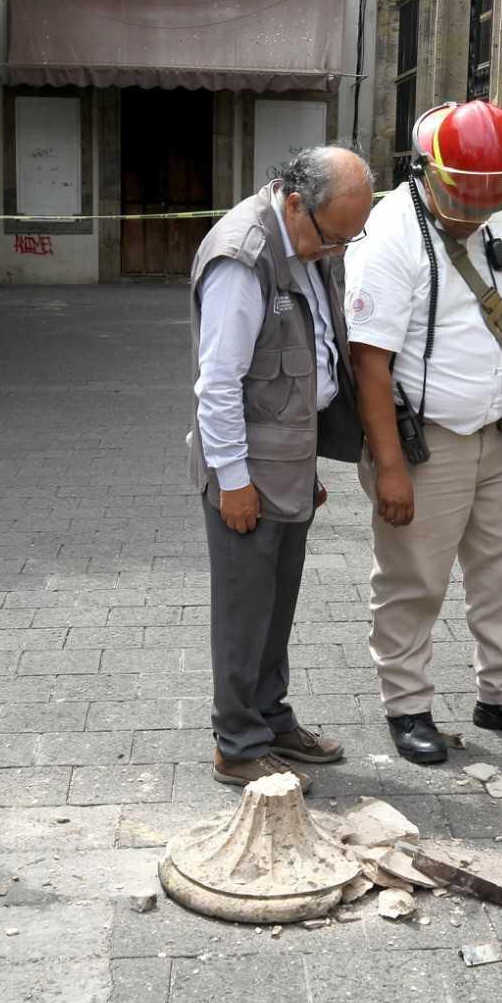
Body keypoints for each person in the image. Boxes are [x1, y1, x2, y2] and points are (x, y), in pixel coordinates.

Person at [341, 100, 502, 765]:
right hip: (424, 440)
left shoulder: (493, 210)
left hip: (497, 432)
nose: (479, 207)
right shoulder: (390, 234)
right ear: (432, 174)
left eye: (494, 193)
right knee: (415, 578)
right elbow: (370, 362)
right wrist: (388, 468)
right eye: (467, 194)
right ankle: (407, 704)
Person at [189, 145, 368, 792]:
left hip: (288, 461)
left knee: (275, 607)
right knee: (244, 611)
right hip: (247, 473)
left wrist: (307, 462)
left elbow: (309, 361)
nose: (340, 251)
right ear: (295, 203)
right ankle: (237, 744)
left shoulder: (310, 245)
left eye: (351, 237)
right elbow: (219, 385)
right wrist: (234, 481)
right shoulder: (244, 257)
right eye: (334, 236)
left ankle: (270, 716)